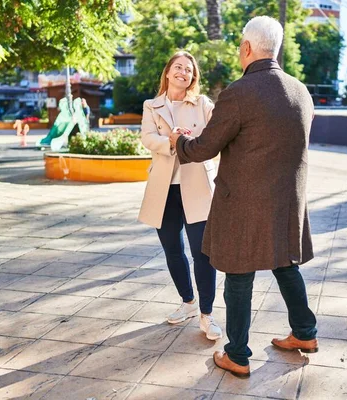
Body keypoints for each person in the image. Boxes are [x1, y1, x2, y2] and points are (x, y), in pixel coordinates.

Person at [169, 16, 317, 378]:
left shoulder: (240, 92)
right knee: (285, 266)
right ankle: (305, 334)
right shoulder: (301, 91)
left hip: (245, 202)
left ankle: (236, 354)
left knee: (238, 275)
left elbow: (205, 147)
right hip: (286, 202)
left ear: (247, 48)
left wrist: (179, 143)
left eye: (240, 46)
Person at [138, 51, 222, 341]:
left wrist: (188, 142)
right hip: (164, 189)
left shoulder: (203, 105)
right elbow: (148, 138)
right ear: (168, 72)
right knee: (172, 249)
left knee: (203, 253)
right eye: (178, 67)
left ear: (193, 77)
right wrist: (172, 141)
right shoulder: (152, 105)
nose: (183, 72)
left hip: (197, 185)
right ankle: (188, 302)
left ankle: (207, 315)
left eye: (188, 69)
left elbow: (217, 137)